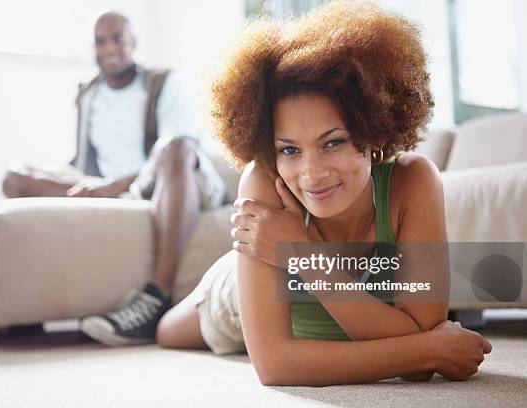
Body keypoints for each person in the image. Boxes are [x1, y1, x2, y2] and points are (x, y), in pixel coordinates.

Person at [155, 1, 492, 386]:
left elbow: (416, 364)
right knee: (166, 331)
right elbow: (275, 367)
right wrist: (428, 348)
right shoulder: (264, 184)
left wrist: (304, 254)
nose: (312, 174)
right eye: (289, 150)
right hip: (242, 282)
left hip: (285, 246)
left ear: (373, 132)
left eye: (333, 143)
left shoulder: (413, 181)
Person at [2, 11, 227, 346]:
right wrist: (91, 186)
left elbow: (180, 151)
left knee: (174, 147)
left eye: (117, 38)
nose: (109, 47)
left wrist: (117, 184)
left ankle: (156, 296)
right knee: (15, 177)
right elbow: (82, 161)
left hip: (167, 178)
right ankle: (25, 305)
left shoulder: (163, 83)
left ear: (133, 41)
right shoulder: (88, 94)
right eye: (100, 40)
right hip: (108, 185)